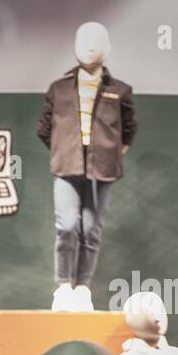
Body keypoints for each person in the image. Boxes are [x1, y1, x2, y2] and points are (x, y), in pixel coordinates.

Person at [36, 22, 136, 311]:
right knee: (66, 225)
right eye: (83, 39)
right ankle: (63, 286)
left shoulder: (120, 91)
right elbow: (44, 129)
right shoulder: (58, 89)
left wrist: (110, 153)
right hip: (66, 166)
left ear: (108, 47)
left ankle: (82, 287)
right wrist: (63, 151)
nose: (90, 45)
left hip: (102, 169)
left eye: (97, 40)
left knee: (91, 229)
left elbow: (129, 129)